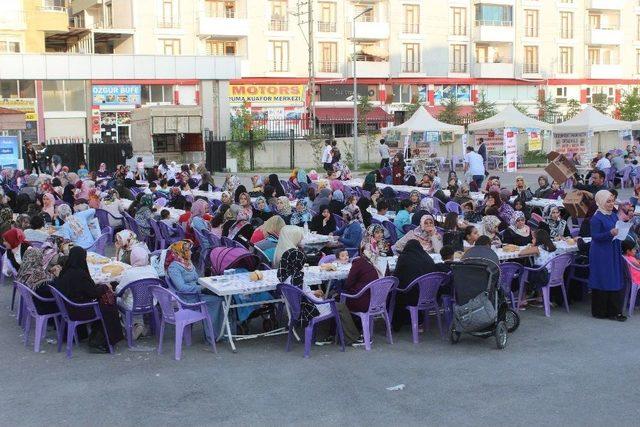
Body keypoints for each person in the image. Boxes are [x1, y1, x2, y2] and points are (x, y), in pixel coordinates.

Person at [53, 246, 124, 353]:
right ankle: (100, 341)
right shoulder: (80, 275)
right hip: (79, 310)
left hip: (68, 308)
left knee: (105, 299)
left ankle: (98, 337)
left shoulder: (65, 272)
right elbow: (92, 293)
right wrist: (105, 287)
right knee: (109, 304)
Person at [588, 190, 626, 321]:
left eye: (612, 201)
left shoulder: (613, 215)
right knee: (604, 278)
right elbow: (595, 236)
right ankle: (601, 311)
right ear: (601, 202)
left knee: (614, 277)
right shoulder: (597, 218)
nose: (611, 204)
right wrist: (610, 233)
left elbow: (617, 228)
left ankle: (613, 311)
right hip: (601, 252)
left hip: (612, 248)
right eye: (608, 201)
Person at [391, 239, 439, 329]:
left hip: (413, 296)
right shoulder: (427, 257)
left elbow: (396, 277)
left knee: (395, 293)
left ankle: (397, 323)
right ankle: (417, 318)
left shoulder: (404, 258)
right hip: (430, 295)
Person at [114, 245, 159, 339]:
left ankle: (132, 327)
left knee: (117, 300)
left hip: (133, 305)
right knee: (136, 300)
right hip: (151, 302)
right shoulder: (152, 269)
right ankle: (140, 325)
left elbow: (119, 291)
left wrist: (115, 289)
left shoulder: (129, 273)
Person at [16, 246, 57, 314]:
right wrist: (56, 276)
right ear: (38, 258)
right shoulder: (37, 273)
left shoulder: (23, 269)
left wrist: (49, 273)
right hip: (39, 304)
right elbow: (47, 288)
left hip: (30, 301)